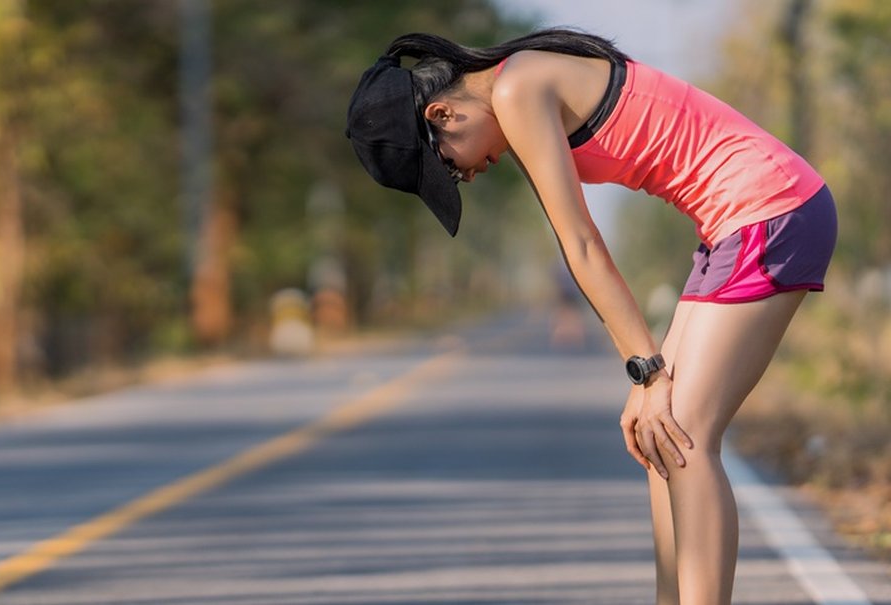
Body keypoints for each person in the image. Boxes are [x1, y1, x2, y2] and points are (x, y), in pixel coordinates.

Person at [345, 29, 837, 605]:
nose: (468, 175)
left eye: (449, 168)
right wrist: (644, 384)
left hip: (771, 210)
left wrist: (649, 372)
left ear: (442, 112)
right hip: (735, 224)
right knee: (661, 439)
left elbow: (580, 245)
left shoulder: (518, 89)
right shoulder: (516, 90)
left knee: (686, 437)